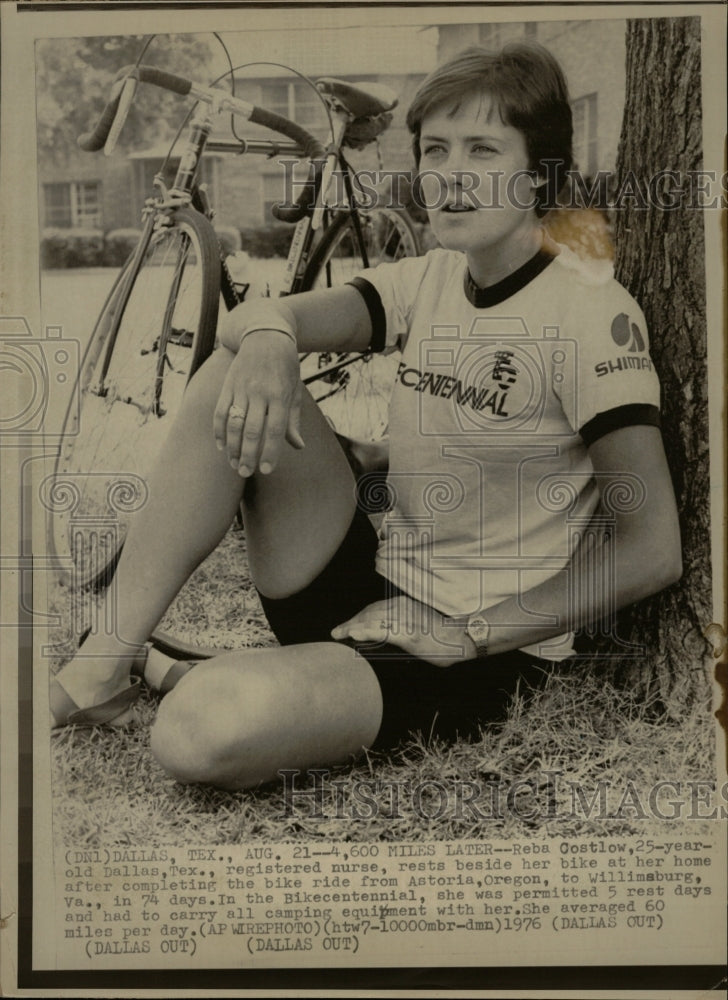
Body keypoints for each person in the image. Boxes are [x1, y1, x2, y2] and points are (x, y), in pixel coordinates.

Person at [50, 43, 682, 790]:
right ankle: (101, 669)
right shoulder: (434, 276)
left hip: (464, 652)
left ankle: (179, 671)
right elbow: (268, 322)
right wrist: (269, 338)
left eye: (482, 150)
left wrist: (468, 635)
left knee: (198, 732)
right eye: (435, 150)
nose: (449, 175)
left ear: (540, 172)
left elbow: (653, 550)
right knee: (237, 364)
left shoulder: (590, 316)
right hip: (363, 590)